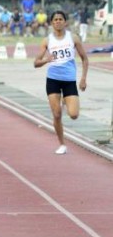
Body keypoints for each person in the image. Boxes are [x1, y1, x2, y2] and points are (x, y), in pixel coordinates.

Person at [33, 10, 89, 155]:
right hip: (53, 80)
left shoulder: (73, 38)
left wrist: (83, 79)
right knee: (57, 114)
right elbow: (36, 63)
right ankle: (62, 144)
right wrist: (46, 60)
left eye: (60, 19)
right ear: (51, 23)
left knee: (74, 115)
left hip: (69, 80)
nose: (58, 21)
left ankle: (66, 100)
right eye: (55, 20)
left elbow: (84, 58)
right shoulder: (47, 40)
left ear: (65, 22)